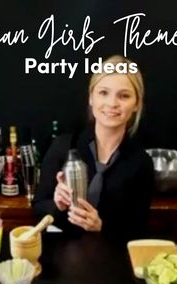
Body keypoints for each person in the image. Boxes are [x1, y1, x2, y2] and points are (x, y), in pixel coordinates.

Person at [32, 55, 154, 241]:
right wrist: (58, 205)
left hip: (113, 260)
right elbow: (38, 208)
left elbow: (138, 230)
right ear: (91, 98)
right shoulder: (63, 147)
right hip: (62, 258)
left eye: (124, 95)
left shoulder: (141, 162)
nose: (112, 103)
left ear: (137, 104)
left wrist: (102, 227)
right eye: (103, 93)